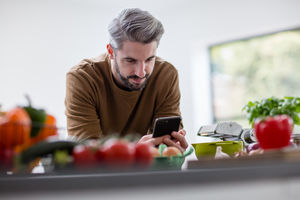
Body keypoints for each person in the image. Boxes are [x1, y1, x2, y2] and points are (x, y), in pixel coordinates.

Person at [65, 8, 188, 152]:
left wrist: (174, 148)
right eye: (130, 60)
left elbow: (165, 146)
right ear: (111, 52)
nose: (141, 72)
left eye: (149, 59)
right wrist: (135, 152)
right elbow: (87, 155)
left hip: (148, 171)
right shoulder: (83, 78)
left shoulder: (166, 75)